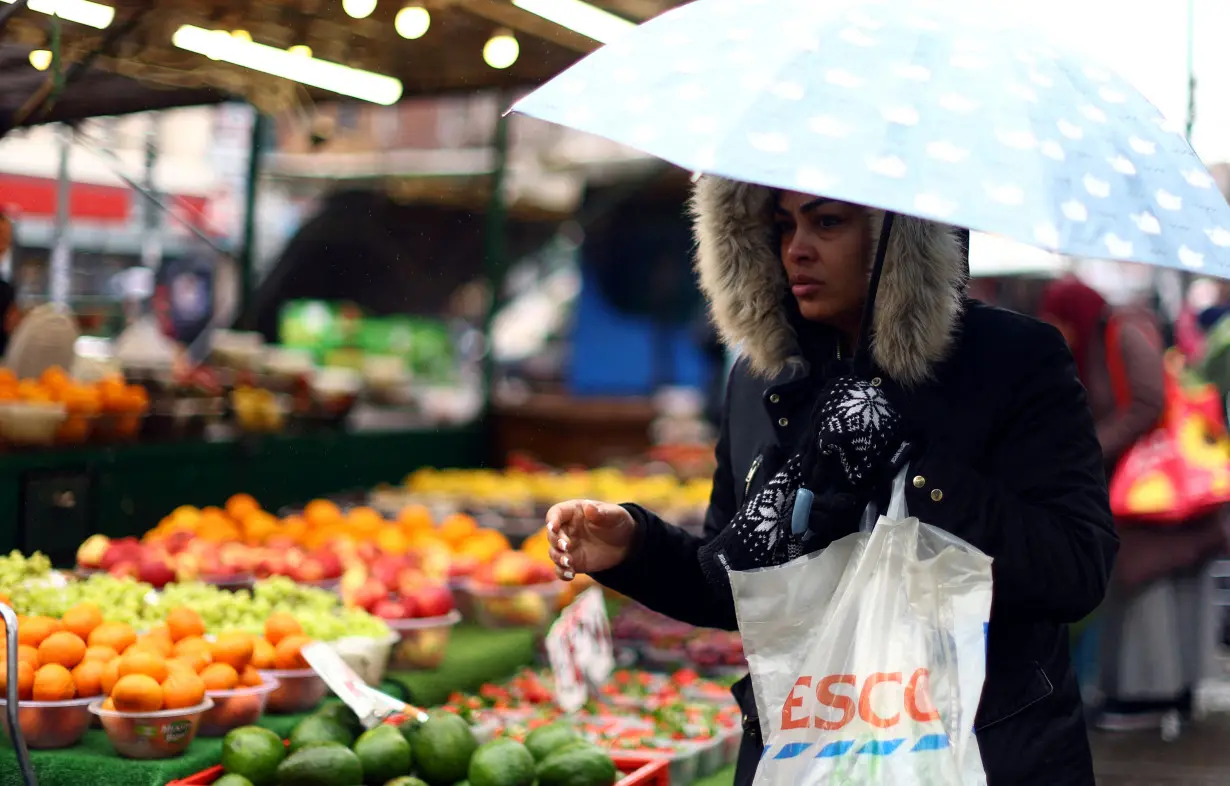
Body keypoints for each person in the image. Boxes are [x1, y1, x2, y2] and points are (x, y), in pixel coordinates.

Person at [546, 177, 1118, 785]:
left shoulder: (1010, 359)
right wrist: (635, 545)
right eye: (783, 225)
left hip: (983, 747)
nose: (797, 249)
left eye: (828, 223)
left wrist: (911, 467)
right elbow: (737, 587)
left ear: (900, 237)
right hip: (810, 752)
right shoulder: (761, 380)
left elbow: (1076, 570)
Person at [1040, 277, 1229, 734]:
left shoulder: (1119, 330)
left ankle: (1148, 696)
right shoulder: (1103, 334)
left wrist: (1092, 448)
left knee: (1146, 585)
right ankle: (1157, 694)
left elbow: (1148, 402)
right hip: (1147, 496)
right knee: (1147, 587)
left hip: (1155, 496)